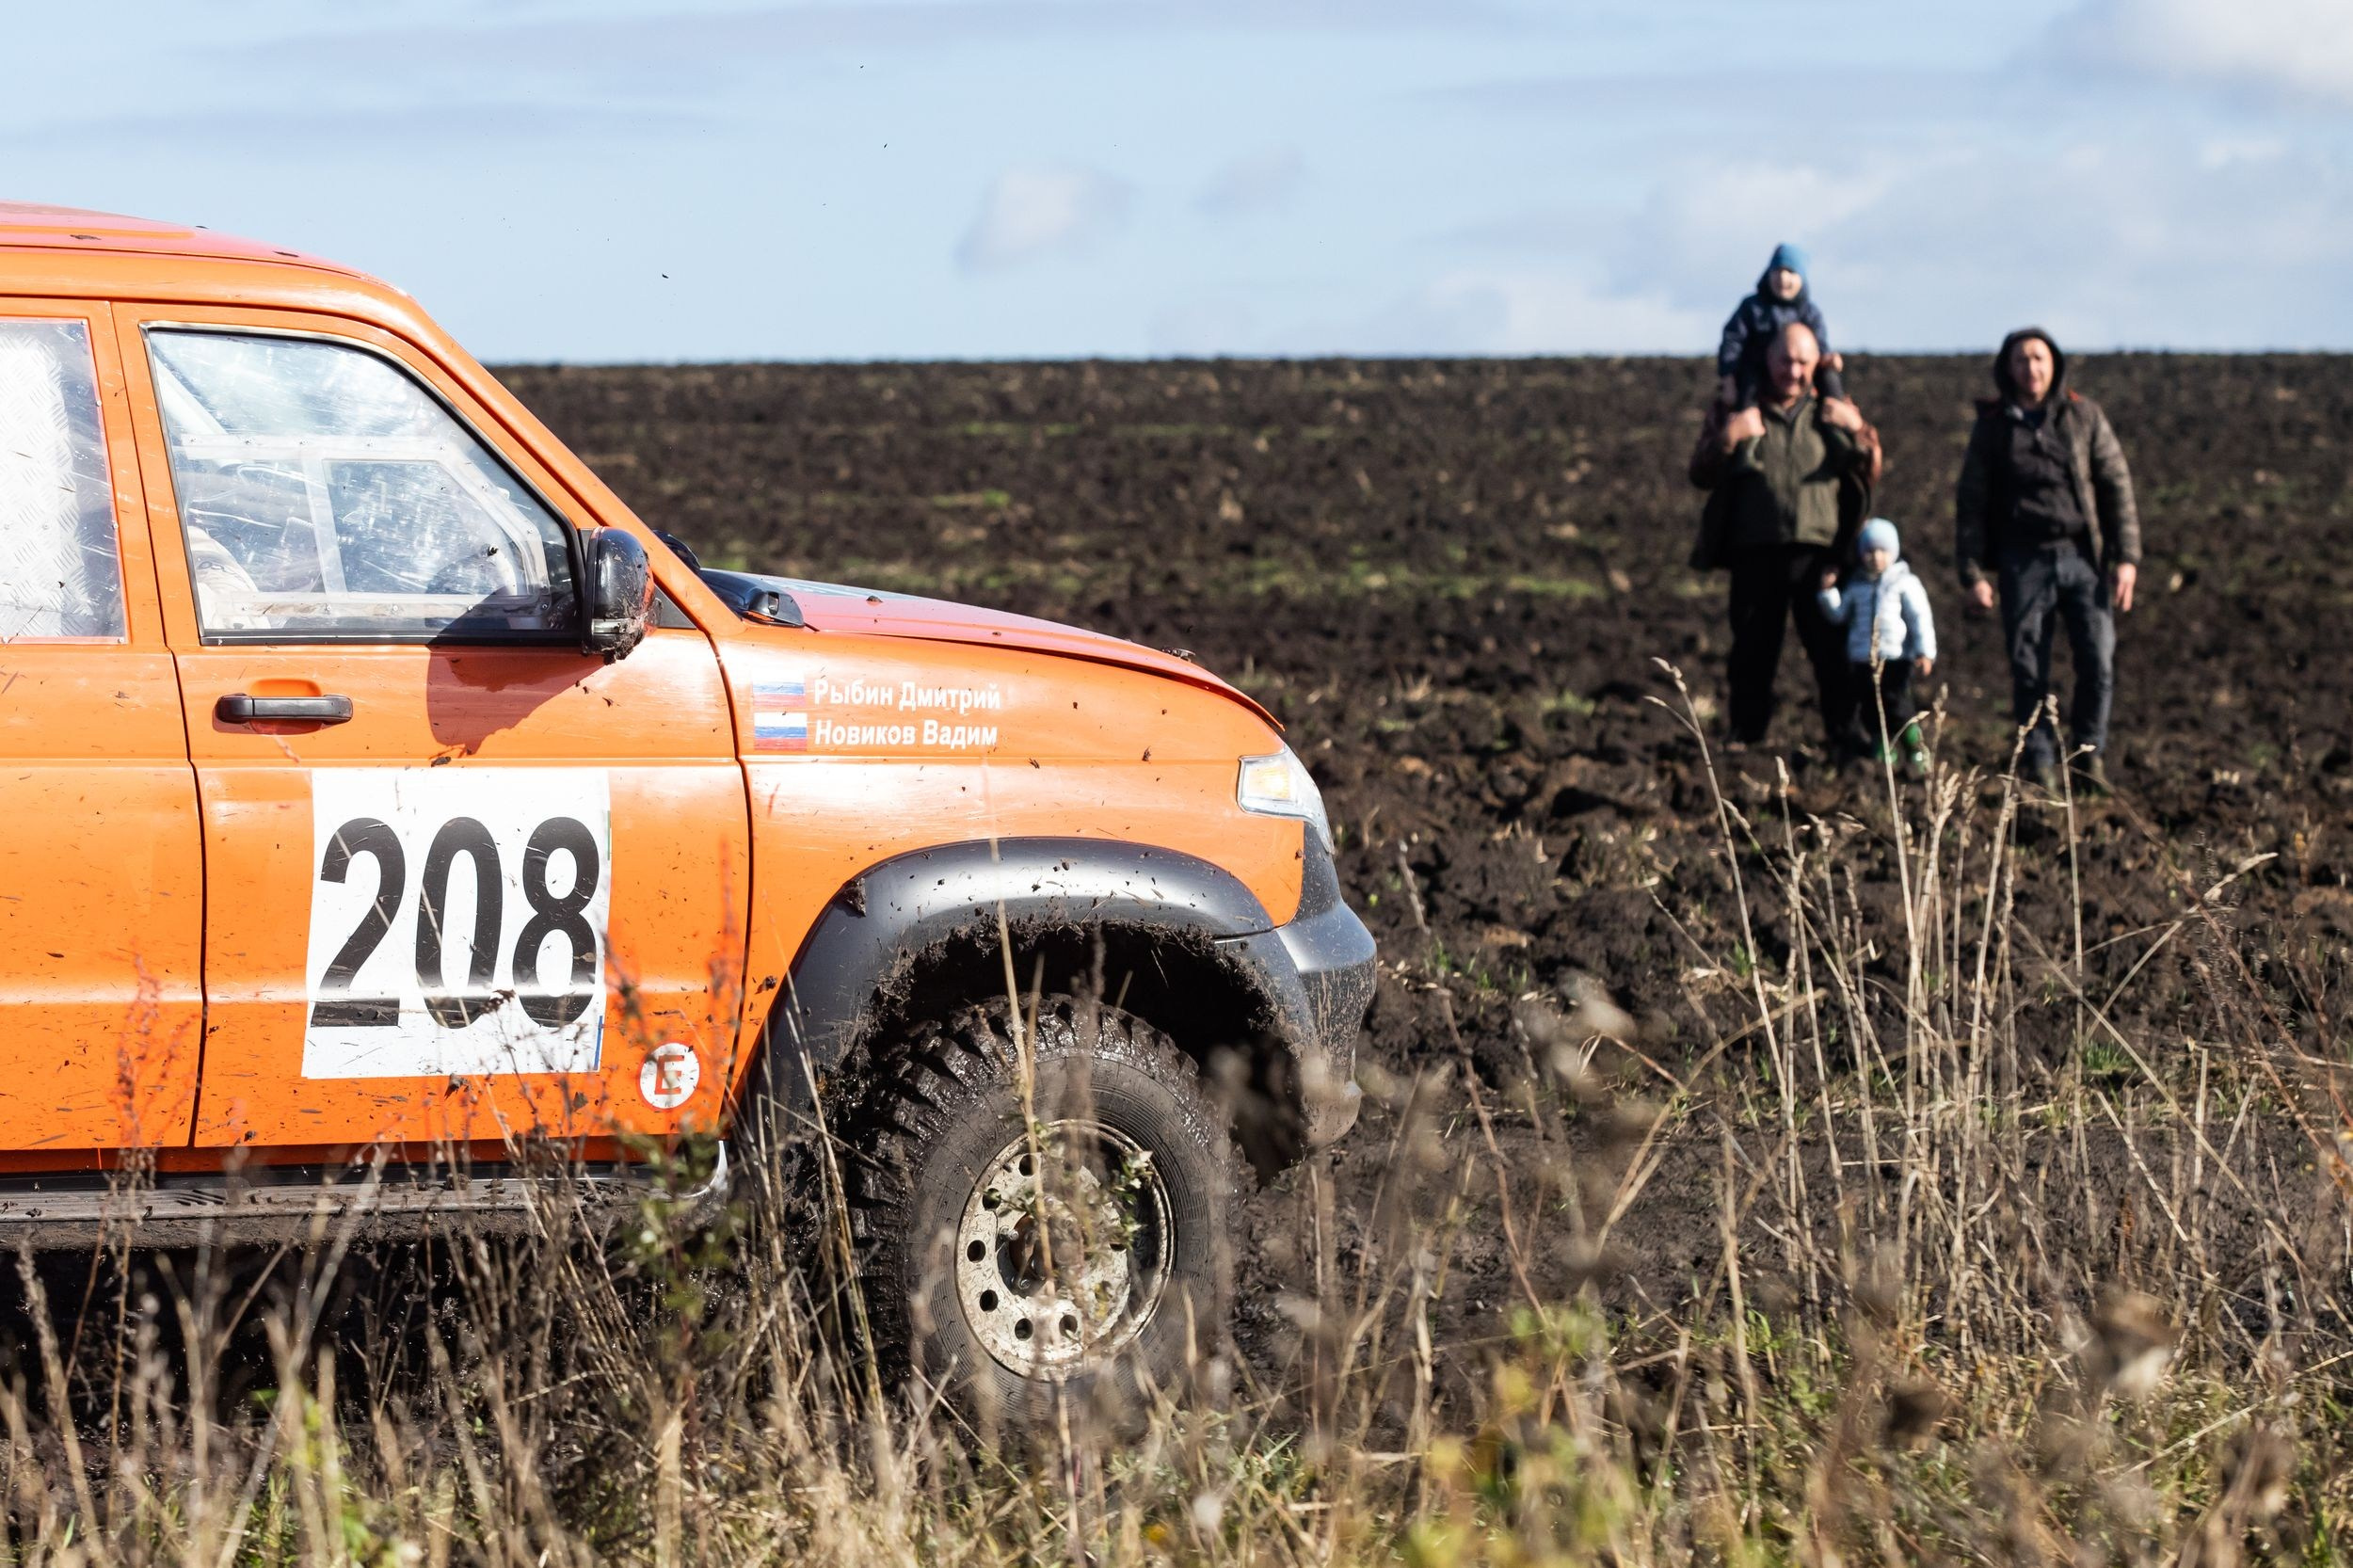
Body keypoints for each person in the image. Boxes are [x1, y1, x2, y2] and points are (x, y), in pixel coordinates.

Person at [1954, 328, 2140, 793]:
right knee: (2028, 667)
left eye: (2039, 358)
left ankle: (2088, 760)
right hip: (2024, 560)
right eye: (2021, 360)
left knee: (2098, 660)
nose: (2031, 368)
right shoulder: (1994, 426)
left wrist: (2126, 558)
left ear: (2053, 363)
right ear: (2008, 368)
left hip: (2083, 557)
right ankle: (2039, 763)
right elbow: (1971, 500)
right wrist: (1973, 572)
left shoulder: (2083, 416)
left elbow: (2116, 484)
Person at [1689, 321, 1882, 755]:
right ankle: (1747, 736)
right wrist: (1729, 437)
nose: (1793, 371)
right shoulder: (1739, 407)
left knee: (1832, 652)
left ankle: (1845, 736)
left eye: (1803, 362)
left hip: (1822, 557)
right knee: (1752, 653)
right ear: (1768, 359)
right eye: (1785, 360)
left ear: (1817, 364)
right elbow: (1699, 473)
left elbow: (1869, 472)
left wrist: (1856, 428)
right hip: (1755, 552)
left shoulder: (1831, 410)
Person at [1818, 517, 1935, 776]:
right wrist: (1828, 592)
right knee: (1870, 706)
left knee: (1897, 704)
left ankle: (1916, 748)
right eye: (1869, 551)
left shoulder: (1904, 583)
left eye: (1882, 550)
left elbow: (1920, 618)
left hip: (1895, 657)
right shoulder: (1857, 585)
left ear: (1893, 552)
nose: (1876, 557)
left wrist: (1924, 651)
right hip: (1862, 658)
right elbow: (1839, 614)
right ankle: (1884, 751)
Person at [1717, 243, 1846, 408]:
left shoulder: (1810, 313)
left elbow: (1820, 348)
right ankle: (1748, 424)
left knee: (1829, 377)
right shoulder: (1752, 307)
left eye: (1791, 272)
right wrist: (1728, 379)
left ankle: (1837, 422)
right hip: (1758, 372)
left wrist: (1829, 359)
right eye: (1778, 271)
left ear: (1802, 278)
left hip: (1799, 375)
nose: (1783, 278)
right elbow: (1732, 341)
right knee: (1749, 378)